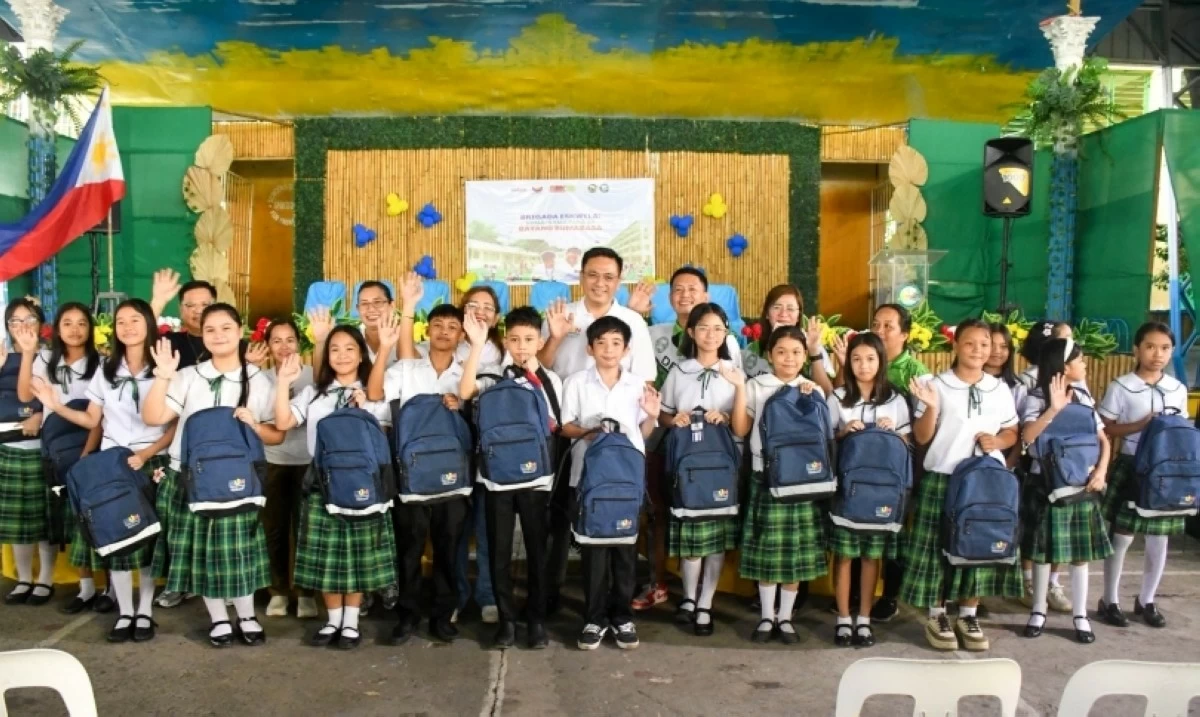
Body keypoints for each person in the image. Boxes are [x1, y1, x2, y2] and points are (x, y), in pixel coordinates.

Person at [30, 299, 176, 641]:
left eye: (135, 319)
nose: (127, 327)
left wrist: (147, 453)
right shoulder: (106, 371)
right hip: (113, 463)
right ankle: (125, 613)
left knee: (147, 540)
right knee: (118, 539)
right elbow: (92, 420)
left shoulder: (166, 368)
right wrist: (55, 406)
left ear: (149, 324)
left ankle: (145, 611)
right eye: (120, 321)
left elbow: (175, 424)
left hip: (151, 461)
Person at [142, 304, 284, 648]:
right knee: (201, 552)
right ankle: (219, 620)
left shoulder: (259, 380)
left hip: (238, 480)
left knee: (239, 551)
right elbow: (153, 416)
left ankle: (247, 616)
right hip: (189, 478)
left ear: (239, 332)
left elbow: (276, 435)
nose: (219, 335)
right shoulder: (188, 376)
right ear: (202, 335)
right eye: (210, 329)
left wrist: (253, 423)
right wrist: (163, 375)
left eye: (226, 328)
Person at [902, 319, 1022, 651]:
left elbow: (1013, 431)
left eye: (985, 344)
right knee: (937, 551)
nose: (978, 350)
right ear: (955, 346)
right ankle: (937, 613)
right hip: (944, 477)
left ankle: (968, 613)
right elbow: (923, 437)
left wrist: (998, 440)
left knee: (980, 547)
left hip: (985, 479)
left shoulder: (998, 389)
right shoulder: (935, 385)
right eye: (970, 343)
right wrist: (930, 406)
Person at [273, 327, 396, 650]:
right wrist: (284, 383)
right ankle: (332, 620)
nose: (341, 356)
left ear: (360, 354)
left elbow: (384, 427)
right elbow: (284, 423)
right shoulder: (314, 392)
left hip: (363, 485)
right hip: (322, 484)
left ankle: (352, 623)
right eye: (334, 350)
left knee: (357, 557)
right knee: (328, 558)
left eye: (349, 349)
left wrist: (365, 405)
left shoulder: (374, 390)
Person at [366, 278, 470, 645]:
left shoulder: (466, 375)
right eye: (439, 325)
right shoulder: (408, 368)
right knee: (408, 551)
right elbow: (375, 393)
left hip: (454, 480)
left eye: (453, 327)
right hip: (410, 479)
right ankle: (407, 616)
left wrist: (463, 405)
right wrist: (386, 349)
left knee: (447, 550)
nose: (444, 332)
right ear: (428, 329)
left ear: (462, 335)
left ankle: (443, 615)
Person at [459, 306, 563, 649]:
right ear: (505, 340)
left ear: (540, 341)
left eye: (529, 340)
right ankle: (506, 620)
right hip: (495, 479)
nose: (522, 347)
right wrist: (475, 345)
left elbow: (556, 422)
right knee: (499, 554)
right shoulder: (490, 376)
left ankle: (534, 620)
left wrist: (538, 378)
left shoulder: (550, 378)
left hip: (536, 480)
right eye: (515, 339)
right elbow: (464, 393)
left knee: (536, 551)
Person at [560, 316, 660, 650]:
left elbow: (642, 434)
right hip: (588, 480)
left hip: (626, 481)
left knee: (625, 551)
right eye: (601, 342)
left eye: (616, 343)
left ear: (627, 349)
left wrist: (653, 415)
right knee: (593, 553)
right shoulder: (576, 382)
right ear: (589, 348)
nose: (608, 349)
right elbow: (565, 427)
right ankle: (593, 618)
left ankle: (622, 617)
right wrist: (592, 431)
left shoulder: (637, 386)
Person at [730, 325, 827, 645]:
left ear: (804, 355)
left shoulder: (812, 388)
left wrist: (815, 397)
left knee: (793, 557)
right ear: (769, 354)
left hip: (803, 481)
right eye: (781, 352)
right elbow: (741, 429)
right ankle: (767, 617)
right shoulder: (757, 386)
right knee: (768, 556)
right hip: (765, 476)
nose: (789, 358)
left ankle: (785, 618)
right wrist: (741, 389)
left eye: (797, 352)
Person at [1019, 338, 1112, 643]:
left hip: (1081, 485)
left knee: (1080, 556)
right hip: (1045, 485)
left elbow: (1103, 440)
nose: (1085, 365)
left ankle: (1080, 615)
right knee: (1043, 553)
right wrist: (1054, 410)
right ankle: (1038, 610)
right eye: (1080, 360)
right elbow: (1028, 439)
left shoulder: (1084, 397)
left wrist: (1100, 472)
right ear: (1064, 366)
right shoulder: (1035, 397)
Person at [658, 303, 742, 636]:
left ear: (726, 333)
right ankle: (689, 599)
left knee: (716, 541)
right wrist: (672, 419)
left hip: (722, 463)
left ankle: (706, 603)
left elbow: (742, 425)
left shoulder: (734, 371)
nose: (711, 334)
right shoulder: (680, 371)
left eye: (718, 328)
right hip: (687, 463)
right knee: (691, 537)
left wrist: (728, 410)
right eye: (703, 328)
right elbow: (662, 414)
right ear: (691, 332)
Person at [1097, 321, 1187, 629]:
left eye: (1165, 348)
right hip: (1132, 465)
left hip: (1166, 472)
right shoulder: (1120, 386)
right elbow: (1106, 427)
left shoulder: (1178, 389)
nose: (1157, 354)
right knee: (1121, 538)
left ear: (1172, 352)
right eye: (1150, 347)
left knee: (1158, 538)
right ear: (1137, 349)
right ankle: (1109, 600)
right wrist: (1139, 426)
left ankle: (1147, 600)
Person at [14, 302, 101, 612]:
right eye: (67, 323)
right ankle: (85, 587)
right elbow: (25, 396)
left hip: (90, 446)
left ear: (90, 329)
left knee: (91, 518)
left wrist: (89, 454)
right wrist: (27, 353)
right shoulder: (45, 359)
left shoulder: (100, 364)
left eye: (81, 323)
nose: (75, 329)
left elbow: (99, 417)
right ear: (58, 328)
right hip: (55, 451)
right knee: (69, 520)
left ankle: (102, 590)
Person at [825, 332, 910, 648]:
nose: (863, 365)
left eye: (870, 358)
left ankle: (864, 618)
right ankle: (843, 619)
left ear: (881, 361)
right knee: (845, 556)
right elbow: (825, 443)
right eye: (856, 358)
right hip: (848, 491)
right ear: (848, 361)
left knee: (872, 557)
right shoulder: (837, 397)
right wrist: (843, 432)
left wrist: (894, 433)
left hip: (882, 492)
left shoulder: (895, 400)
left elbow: (908, 445)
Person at [1014, 320, 1077, 614]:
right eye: (1064, 342)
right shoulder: (1029, 384)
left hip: (1068, 472)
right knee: (1035, 533)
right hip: (1036, 467)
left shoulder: (1080, 389)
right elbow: (1024, 431)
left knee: (1060, 537)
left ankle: (1053, 582)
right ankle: (1029, 581)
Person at [260, 318, 319, 620]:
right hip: (273, 462)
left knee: (307, 530)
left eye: (290, 340)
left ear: (300, 343)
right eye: (277, 341)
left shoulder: (313, 376)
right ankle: (278, 592)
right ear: (268, 346)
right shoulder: (261, 378)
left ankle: (307, 593)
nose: (284, 347)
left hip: (308, 462)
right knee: (274, 529)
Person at [0, 299, 53, 606]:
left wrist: (40, 416)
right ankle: (23, 578)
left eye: (28, 318)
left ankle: (45, 579)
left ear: (40, 323)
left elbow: (62, 397)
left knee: (42, 519)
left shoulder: (48, 356)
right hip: (7, 447)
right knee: (19, 522)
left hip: (39, 446)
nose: (22, 326)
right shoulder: (3, 357)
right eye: (14, 321)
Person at [539, 248, 656, 383]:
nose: (600, 283)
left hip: (618, 403)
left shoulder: (633, 321)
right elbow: (539, 369)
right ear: (581, 278)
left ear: (618, 282)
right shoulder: (559, 315)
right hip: (565, 401)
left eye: (608, 277)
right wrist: (555, 339)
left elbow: (646, 378)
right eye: (593, 275)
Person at [149, 269, 264, 370]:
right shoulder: (169, 344)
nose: (198, 310)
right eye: (190, 305)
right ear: (181, 310)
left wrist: (251, 367)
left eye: (205, 305)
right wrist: (158, 301)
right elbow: (142, 337)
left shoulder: (235, 345)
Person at [740, 284, 834, 396]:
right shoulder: (752, 350)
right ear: (767, 314)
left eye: (790, 308)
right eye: (777, 307)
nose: (783, 314)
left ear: (798, 315)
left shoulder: (813, 346)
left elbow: (828, 394)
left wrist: (813, 352)